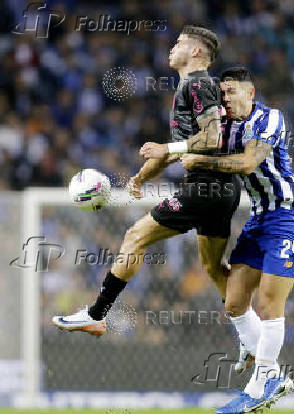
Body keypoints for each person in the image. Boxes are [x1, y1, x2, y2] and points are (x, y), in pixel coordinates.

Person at [52, 26, 242, 338]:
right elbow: (183, 148)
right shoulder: (193, 88)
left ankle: (96, 314)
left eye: (179, 43)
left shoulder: (198, 83)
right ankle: (255, 342)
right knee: (214, 268)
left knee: (135, 236)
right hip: (221, 187)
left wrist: (168, 148)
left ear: (195, 51)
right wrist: (140, 177)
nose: (172, 47)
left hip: (203, 185)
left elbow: (211, 137)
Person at [175, 66, 294, 414]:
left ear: (251, 93)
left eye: (232, 91)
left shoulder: (269, 119)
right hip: (258, 221)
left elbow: (250, 162)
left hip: (288, 218)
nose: (226, 98)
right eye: (222, 94)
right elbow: (194, 144)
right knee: (235, 301)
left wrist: (202, 158)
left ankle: (261, 383)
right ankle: (272, 372)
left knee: (268, 303)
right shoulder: (224, 128)